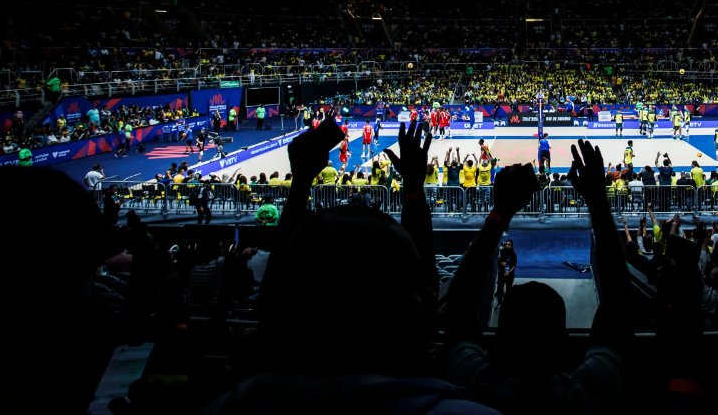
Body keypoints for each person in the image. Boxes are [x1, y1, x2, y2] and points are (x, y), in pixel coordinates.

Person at [203, 118, 499, 414]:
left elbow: (276, 296)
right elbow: (426, 282)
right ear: (418, 307)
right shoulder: (464, 409)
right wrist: (414, 188)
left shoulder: (231, 406)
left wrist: (301, 183)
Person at [444, 140, 628, 413]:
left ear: (498, 343)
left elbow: (457, 308)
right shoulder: (589, 393)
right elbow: (619, 305)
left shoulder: (475, 387)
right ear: (565, 345)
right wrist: (597, 201)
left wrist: (501, 212)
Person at [495, 239, 517, 309]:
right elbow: (499, 261)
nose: (507, 245)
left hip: (509, 275)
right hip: (501, 274)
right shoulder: (502, 252)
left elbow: (514, 265)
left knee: (508, 290)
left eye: (509, 244)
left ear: (511, 246)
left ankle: (508, 304)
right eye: (506, 244)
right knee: (500, 289)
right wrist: (501, 263)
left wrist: (508, 272)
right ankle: (499, 303)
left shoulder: (513, 255)